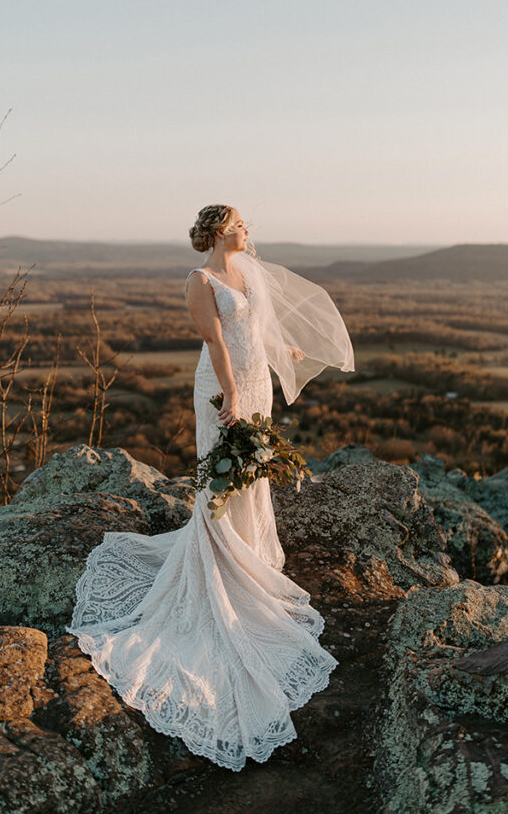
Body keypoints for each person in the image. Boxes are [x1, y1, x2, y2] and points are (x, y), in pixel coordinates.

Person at [67, 204, 355, 771]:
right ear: (222, 230)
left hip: (257, 385)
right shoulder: (201, 281)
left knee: (253, 476)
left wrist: (281, 354)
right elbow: (218, 341)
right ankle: (222, 557)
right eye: (243, 224)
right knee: (222, 478)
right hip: (224, 389)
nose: (250, 230)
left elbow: (259, 327)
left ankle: (250, 552)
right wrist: (232, 397)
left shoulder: (249, 270)